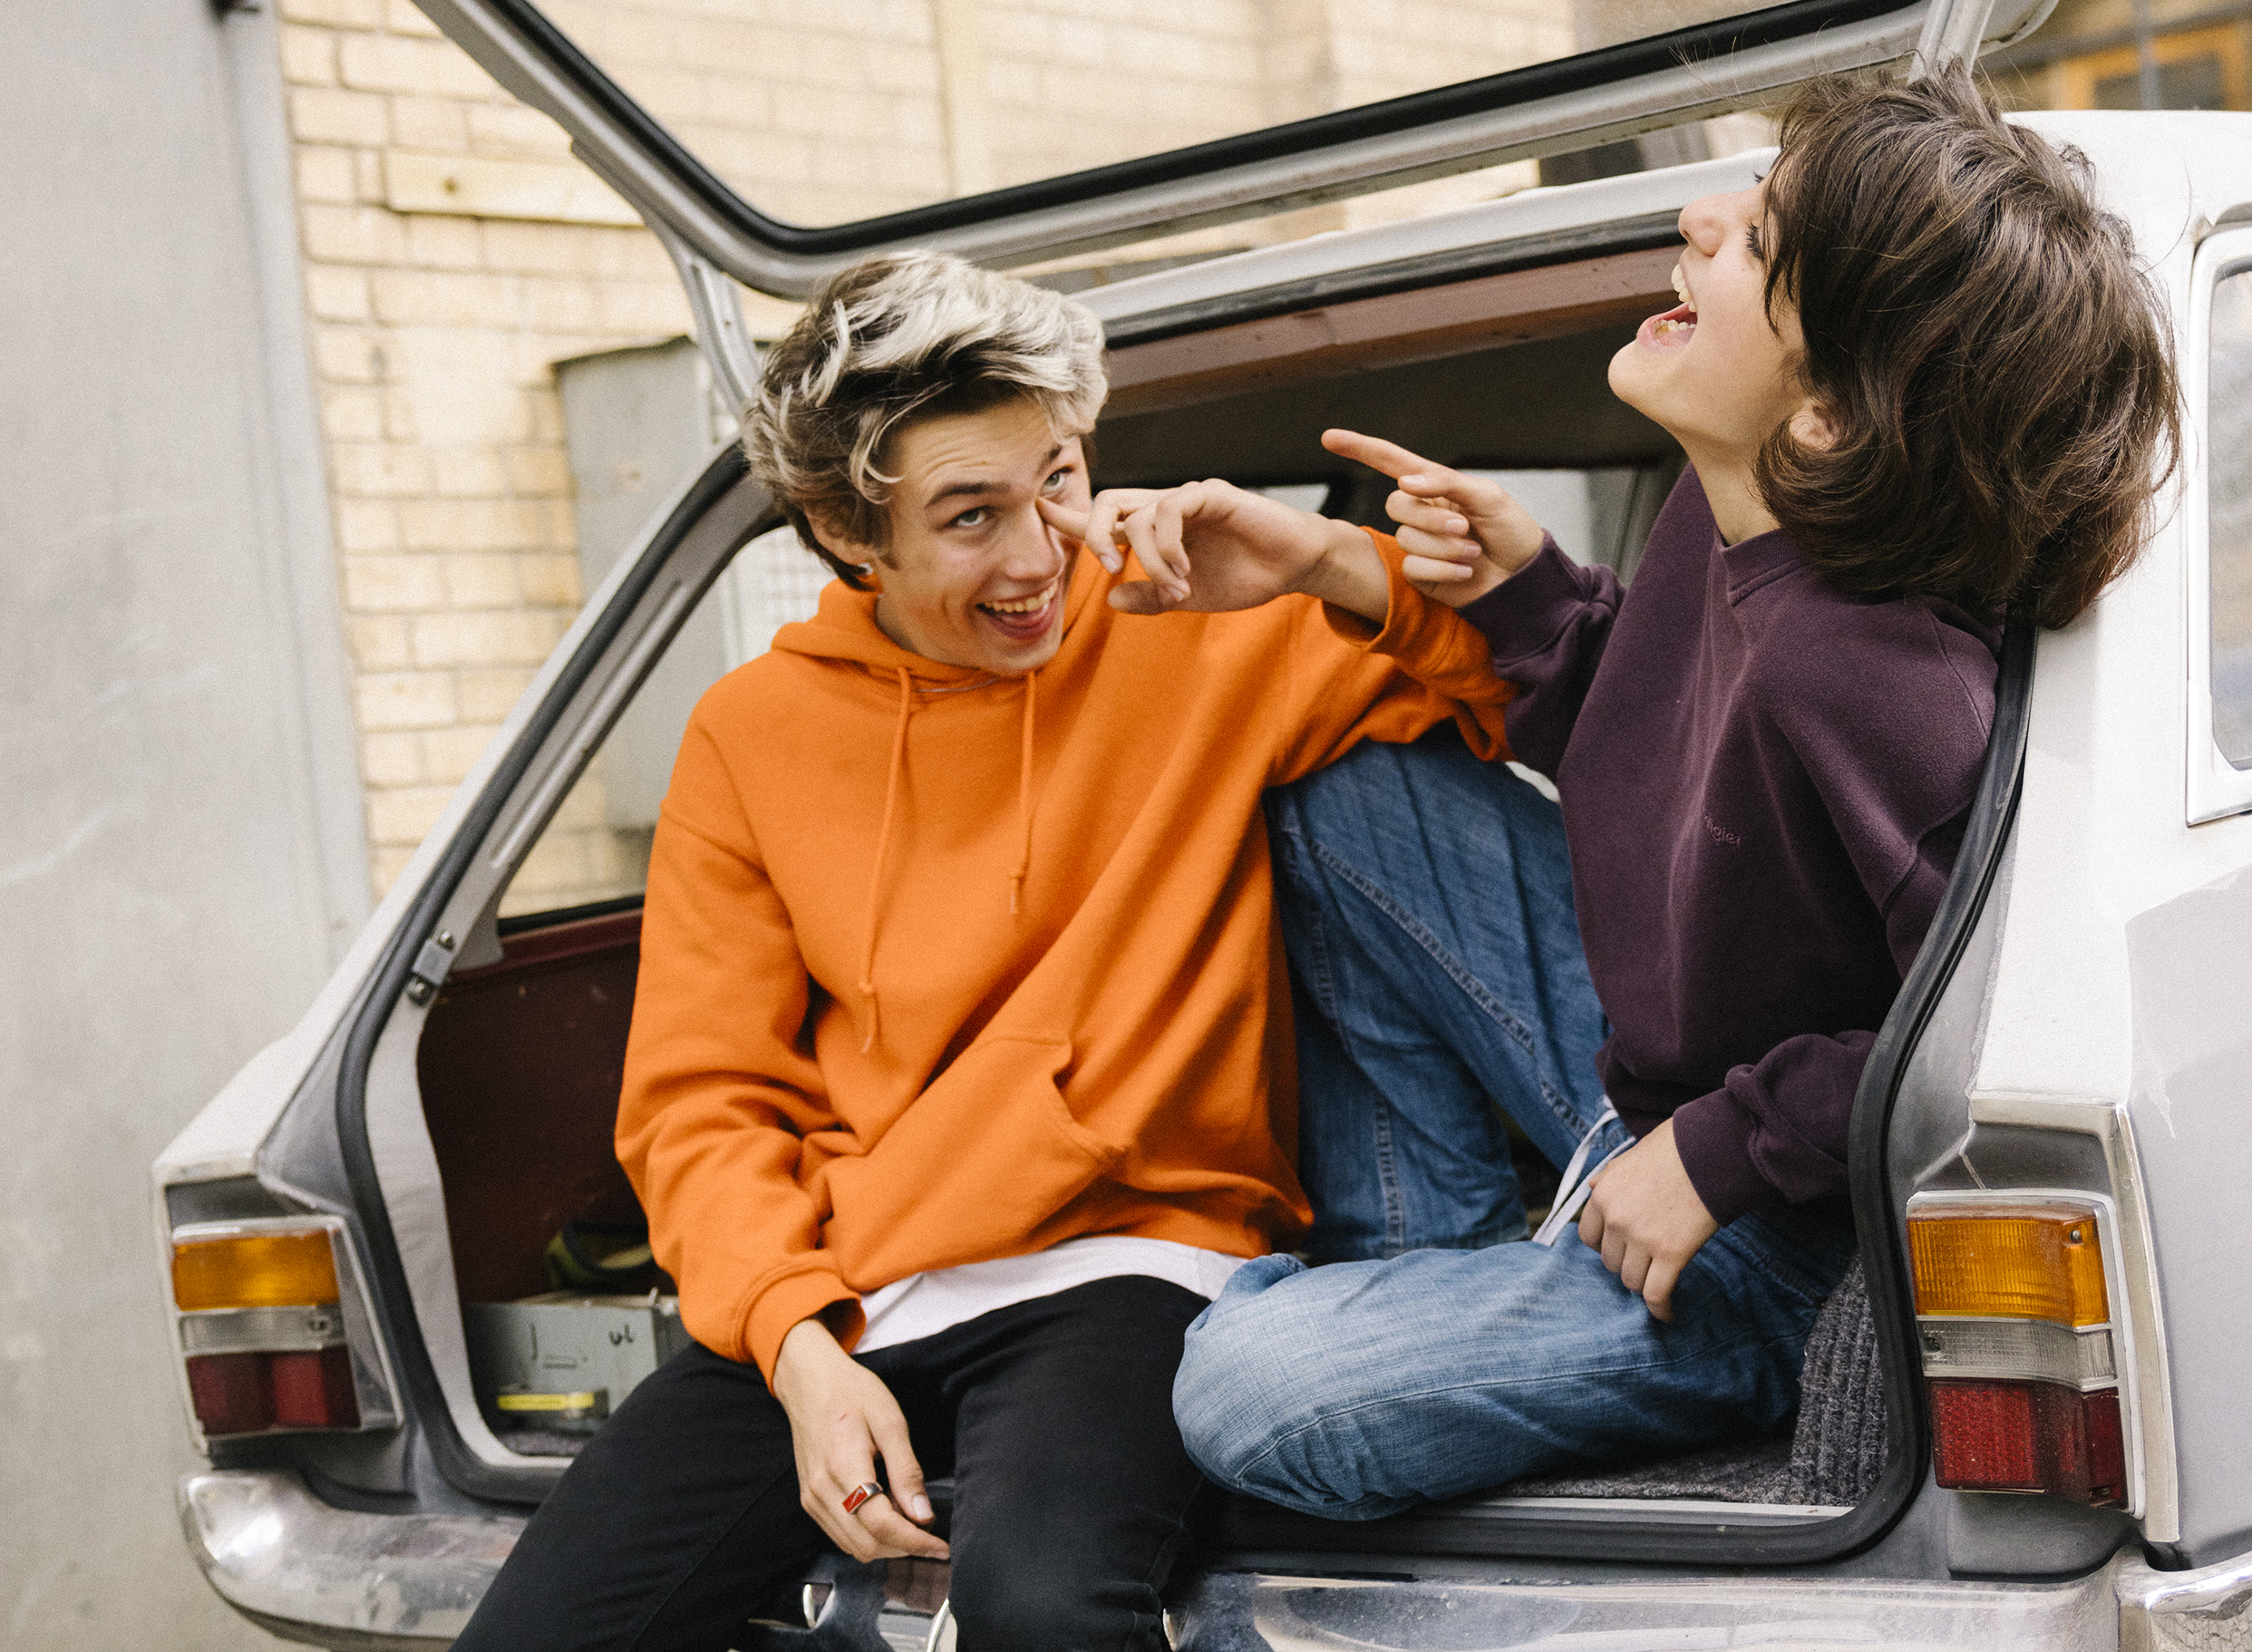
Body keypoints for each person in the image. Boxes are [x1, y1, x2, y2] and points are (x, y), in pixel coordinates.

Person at [446, 251, 1569, 1651]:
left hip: (1137, 1259)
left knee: (1041, 1608)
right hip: (858, 1292)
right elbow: (701, 1103)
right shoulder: (751, 733)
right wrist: (796, 1347)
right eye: (971, 515)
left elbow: (1538, 690)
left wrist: (1327, 564)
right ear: (848, 532)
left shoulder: (1202, 627)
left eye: (1059, 477)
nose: (1040, 554)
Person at [1162, 69, 2179, 1519]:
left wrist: (1715, 1154)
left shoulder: (1878, 673)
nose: (1697, 218)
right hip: (1655, 1073)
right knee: (1354, 799)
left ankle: (1482, 1309)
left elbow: (1988, 1029)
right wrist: (1507, 589)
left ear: (1826, 418)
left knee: (1241, 1392)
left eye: (1755, 240)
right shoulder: (1732, 503)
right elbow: (1651, 755)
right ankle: (1468, 1270)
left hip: (1774, 1231)